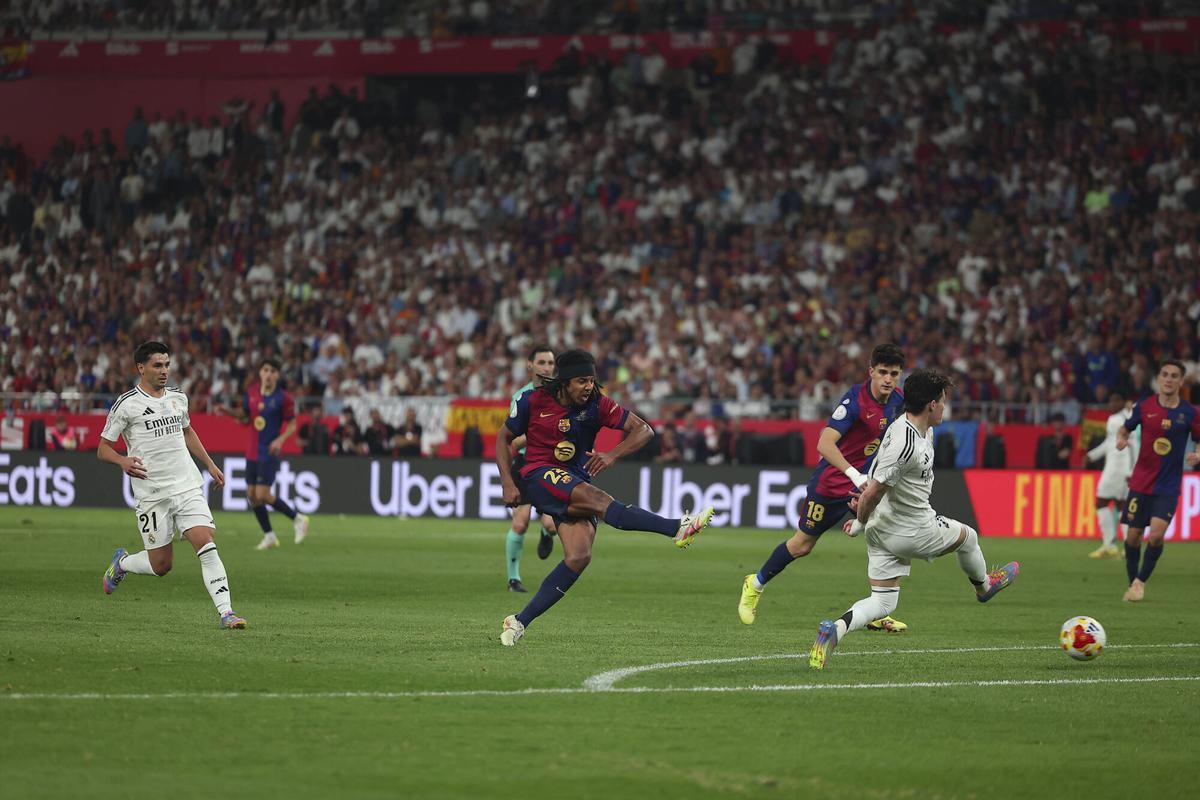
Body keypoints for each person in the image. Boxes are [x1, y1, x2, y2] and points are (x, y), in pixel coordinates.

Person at [495, 349, 715, 646]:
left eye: (591, 380)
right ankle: (677, 527)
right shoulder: (532, 400)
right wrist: (508, 482)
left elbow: (644, 431)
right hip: (539, 474)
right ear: (565, 382)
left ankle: (519, 621)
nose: (589, 386)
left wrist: (612, 455)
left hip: (574, 478)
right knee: (601, 502)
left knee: (578, 557)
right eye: (582, 381)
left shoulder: (597, 405)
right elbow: (503, 438)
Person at [809, 369, 1019, 669]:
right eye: (943, 401)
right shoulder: (908, 446)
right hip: (912, 530)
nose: (945, 406)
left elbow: (876, 488)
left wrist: (864, 522)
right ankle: (984, 587)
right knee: (969, 537)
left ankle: (834, 631)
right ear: (932, 404)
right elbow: (872, 492)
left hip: (882, 529)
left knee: (883, 603)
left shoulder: (911, 427)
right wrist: (859, 522)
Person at [738, 343, 909, 632]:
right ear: (871, 372)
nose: (889, 380)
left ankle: (878, 608)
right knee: (802, 545)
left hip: (864, 484)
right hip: (831, 484)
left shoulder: (898, 400)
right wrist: (856, 476)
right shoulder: (855, 400)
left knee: (885, 535)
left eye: (894, 373)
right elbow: (824, 444)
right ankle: (754, 584)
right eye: (883, 373)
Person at [98, 341, 246, 629]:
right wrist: (122, 461)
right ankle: (123, 563)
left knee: (205, 541)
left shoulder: (178, 398)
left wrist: (210, 464)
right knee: (161, 566)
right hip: (152, 494)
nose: (164, 370)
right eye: (157, 365)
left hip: (187, 485)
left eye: (167, 364)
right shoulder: (127, 405)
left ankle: (227, 613)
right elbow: (103, 448)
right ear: (141, 368)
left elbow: (188, 431)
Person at [1116, 359, 1200, 602]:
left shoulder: (1189, 412)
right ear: (1159, 378)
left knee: (1155, 536)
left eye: (1174, 375)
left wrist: (1198, 453)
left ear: (1181, 381)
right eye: (1165, 374)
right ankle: (1132, 582)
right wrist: (1122, 440)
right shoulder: (1145, 406)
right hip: (1141, 482)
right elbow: (1126, 428)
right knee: (1132, 537)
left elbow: (1198, 436)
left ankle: (1140, 582)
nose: (1169, 379)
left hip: (1168, 485)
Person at [214, 357, 311, 550]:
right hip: (252, 451)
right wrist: (226, 411)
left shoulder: (284, 398)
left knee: (262, 493)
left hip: (269, 451)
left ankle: (298, 519)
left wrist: (280, 440)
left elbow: (292, 424)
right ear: (260, 373)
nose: (269, 374)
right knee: (252, 494)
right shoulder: (251, 394)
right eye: (265, 370)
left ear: (277, 375)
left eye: (273, 371)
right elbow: (245, 416)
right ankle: (269, 536)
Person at [502, 344, 560, 593]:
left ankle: (547, 535)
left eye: (550, 363)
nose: (547, 367)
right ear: (530, 365)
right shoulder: (521, 397)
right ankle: (513, 579)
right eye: (542, 363)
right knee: (520, 524)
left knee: (551, 525)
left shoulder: (561, 394)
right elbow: (513, 441)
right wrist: (540, 431)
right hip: (526, 463)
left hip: (551, 464)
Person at [1086, 391, 1137, 559]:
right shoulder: (1114, 419)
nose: (1112, 404)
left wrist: (1131, 470)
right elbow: (1109, 443)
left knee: (1105, 502)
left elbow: (1133, 445)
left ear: (1123, 401)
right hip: (1113, 468)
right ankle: (1120, 546)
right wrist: (1092, 455)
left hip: (1120, 470)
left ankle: (1112, 544)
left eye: (1116, 400)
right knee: (1119, 505)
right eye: (1111, 401)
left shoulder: (1125, 419)